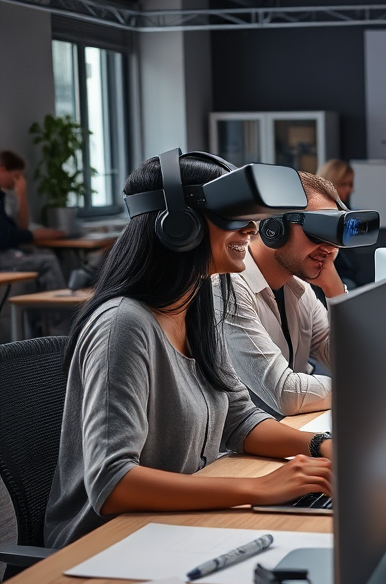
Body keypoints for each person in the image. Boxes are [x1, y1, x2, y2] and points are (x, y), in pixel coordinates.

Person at [44, 152, 333, 550]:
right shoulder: (123, 325)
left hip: (175, 525)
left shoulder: (197, 303)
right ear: (179, 225)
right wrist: (258, 488)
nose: (252, 229)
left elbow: (238, 418)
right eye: (235, 218)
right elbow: (112, 483)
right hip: (107, 544)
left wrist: (322, 446)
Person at [215, 171, 346, 417]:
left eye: (334, 234)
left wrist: (335, 291)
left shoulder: (299, 288)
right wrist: (356, 388)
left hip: (296, 431)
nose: (330, 248)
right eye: (319, 232)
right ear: (274, 229)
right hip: (241, 452)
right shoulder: (227, 288)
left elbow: (348, 363)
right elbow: (286, 395)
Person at [0, 149, 66, 291]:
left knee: (46, 254)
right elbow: (5, 236)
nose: (18, 181)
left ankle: (41, 312)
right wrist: (34, 235)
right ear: (2, 170)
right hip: (3, 255)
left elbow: (22, 227)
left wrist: (21, 195)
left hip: (8, 252)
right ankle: (59, 312)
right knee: (48, 262)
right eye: (16, 176)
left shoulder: (6, 197)